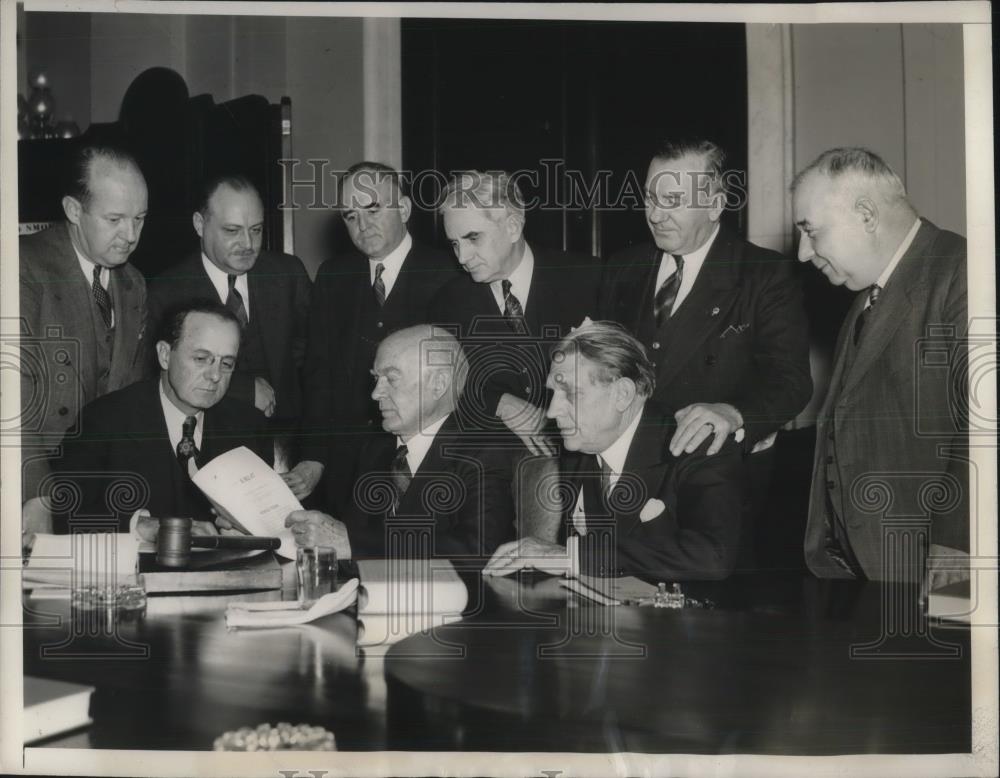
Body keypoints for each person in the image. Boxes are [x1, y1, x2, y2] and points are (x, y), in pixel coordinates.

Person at [599, 139, 812, 546]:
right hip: (630, 478)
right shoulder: (622, 267)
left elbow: (790, 381)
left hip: (720, 483)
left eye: (673, 200)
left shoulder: (764, 275)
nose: (655, 215)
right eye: (650, 198)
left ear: (715, 206)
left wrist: (735, 413)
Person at [792, 147, 968, 585]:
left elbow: (985, 433)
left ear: (867, 215)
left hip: (936, 573)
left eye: (811, 232)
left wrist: (955, 573)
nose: (801, 253)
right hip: (865, 574)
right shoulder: (864, 299)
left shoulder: (963, 271)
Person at [482, 321, 745, 582]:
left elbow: (712, 556)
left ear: (622, 394)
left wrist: (571, 556)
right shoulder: (580, 445)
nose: (551, 411)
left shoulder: (697, 444)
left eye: (570, 394)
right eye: (553, 393)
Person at [293, 162, 459, 511]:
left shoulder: (449, 273)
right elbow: (318, 375)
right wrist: (313, 457)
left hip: (419, 465)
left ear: (404, 208)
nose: (363, 225)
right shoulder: (332, 276)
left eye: (372, 209)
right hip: (345, 470)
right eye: (350, 216)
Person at [282, 325, 516, 562]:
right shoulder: (376, 450)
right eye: (376, 378)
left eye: (391, 379)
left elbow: (480, 548)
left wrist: (351, 543)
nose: (375, 393)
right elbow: (353, 542)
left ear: (439, 384)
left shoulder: (485, 450)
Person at [41, 302, 271, 535]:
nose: (215, 375)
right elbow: (63, 514)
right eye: (201, 358)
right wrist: (138, 526)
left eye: (227, 363)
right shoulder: (104, 420)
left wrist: (251, 531)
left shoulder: (250, 426)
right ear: (164, 355)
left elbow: (268, 521)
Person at [429, 170, 602, 456]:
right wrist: (500, 402)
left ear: (512, 227)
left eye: (473, 238)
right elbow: (442, 386)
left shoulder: (589, 278)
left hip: (582, 458)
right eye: (455, 243)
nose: (461, 258)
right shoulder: (448, 301)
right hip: (493, 464)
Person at [19, 144, 149, 507]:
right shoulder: (22, 267)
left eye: (139, 218)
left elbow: (131, 400)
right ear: (73, 210)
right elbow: (12, 404)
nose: (131, 235)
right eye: (115, 219)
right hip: (36, 480)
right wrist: (36, 499)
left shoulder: (133, 283)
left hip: (104, 486)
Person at [146, 175, 310, 445]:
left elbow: (312, 357)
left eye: (256, 230)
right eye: (232, 231)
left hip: (288, 440)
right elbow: (158, 375)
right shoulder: (166, 291)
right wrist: (243, 390)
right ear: (200, 225)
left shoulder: (288, 274)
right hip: (209, 441)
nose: (247, 244)